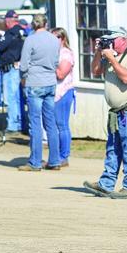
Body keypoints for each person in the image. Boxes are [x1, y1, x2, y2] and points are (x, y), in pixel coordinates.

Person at [84, 28, 127, 199]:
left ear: (124, 39)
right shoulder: (112, 55)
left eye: (112, 40)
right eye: (107, 40)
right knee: (113, 148)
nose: (109, 43)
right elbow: (96, 71)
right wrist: (99, 52)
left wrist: (111, 59)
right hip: (116, 110)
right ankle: (106, 184)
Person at [17, 14, 60, 171]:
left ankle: (35, 161)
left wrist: (22, 78)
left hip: (35, 81)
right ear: (46, 23)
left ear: (33, 25)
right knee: (51, 123)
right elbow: (56, 61)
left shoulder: (31, 39)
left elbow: (23, 65)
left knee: (35, 123)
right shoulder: (54, 39)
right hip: (50, 81)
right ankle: (55, 160)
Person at [0, 10, 25, 133]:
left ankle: (13, 124)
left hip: (11, 69)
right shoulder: (23, 32)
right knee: (18, 97)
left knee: (11, 98)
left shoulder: (10, 33)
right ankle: (20, 122)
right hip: (19, 68)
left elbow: (0, 45)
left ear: (8, 21)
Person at [52, 27, 74, 167]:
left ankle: (64, 155)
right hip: (54, 92)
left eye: (56, 38)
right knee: (54, 125)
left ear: (63, 39)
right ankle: (56, 155)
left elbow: (61, 74)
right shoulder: (54, 53)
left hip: (64, 91)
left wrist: (47, 64)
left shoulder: (66, 54)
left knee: (62, 125)